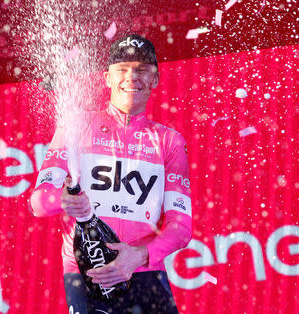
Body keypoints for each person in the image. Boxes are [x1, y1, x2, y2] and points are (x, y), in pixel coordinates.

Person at [29, 34, 192, 314]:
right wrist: (65, 200)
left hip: (145, 272)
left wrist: (139, 257)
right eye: (122, 69)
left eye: (142, 69)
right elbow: (39, 202)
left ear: (155, 79)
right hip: (89, 274)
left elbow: (181, 227)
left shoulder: (169, 142)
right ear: (107, 78)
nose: (132, 77)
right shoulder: (76, 125)